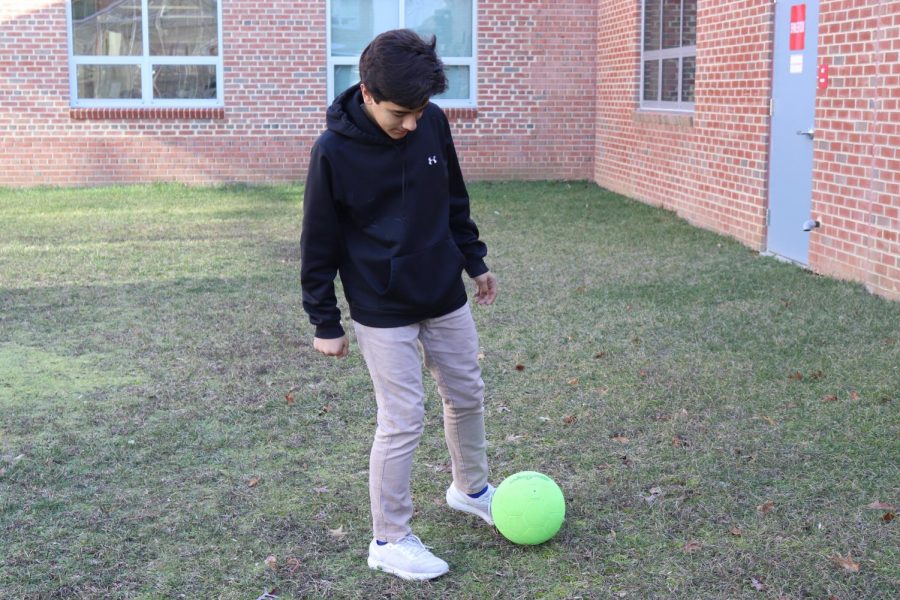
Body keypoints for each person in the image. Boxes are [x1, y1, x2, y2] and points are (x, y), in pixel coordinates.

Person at [300, 29, 499, 581]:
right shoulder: (333, 151)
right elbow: (319, 241)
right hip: (380, 305)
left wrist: (473, 260)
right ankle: (389, 538)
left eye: (419, 111)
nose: (412, 124)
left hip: (442, 291)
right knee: (403, 418)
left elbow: (453, 198)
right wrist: (325, 319)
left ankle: (471, 489)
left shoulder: (431, 120)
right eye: (399, 114)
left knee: (467, 392)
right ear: (366, 92)